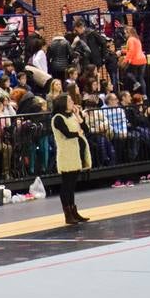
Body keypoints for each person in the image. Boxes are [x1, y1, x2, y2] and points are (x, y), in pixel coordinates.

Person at [52, 94, 91, 224]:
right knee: (66, 185)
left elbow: (86, 129)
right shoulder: (57, 118)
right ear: (63, 103)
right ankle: (68, 214)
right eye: (69, 100)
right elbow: (67, 133)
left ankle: (74, 211)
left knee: (72, 185)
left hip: (76, 153)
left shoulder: (72, 116)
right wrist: (78, 133)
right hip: (66, 154)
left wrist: (79, 116)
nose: (72, 102)